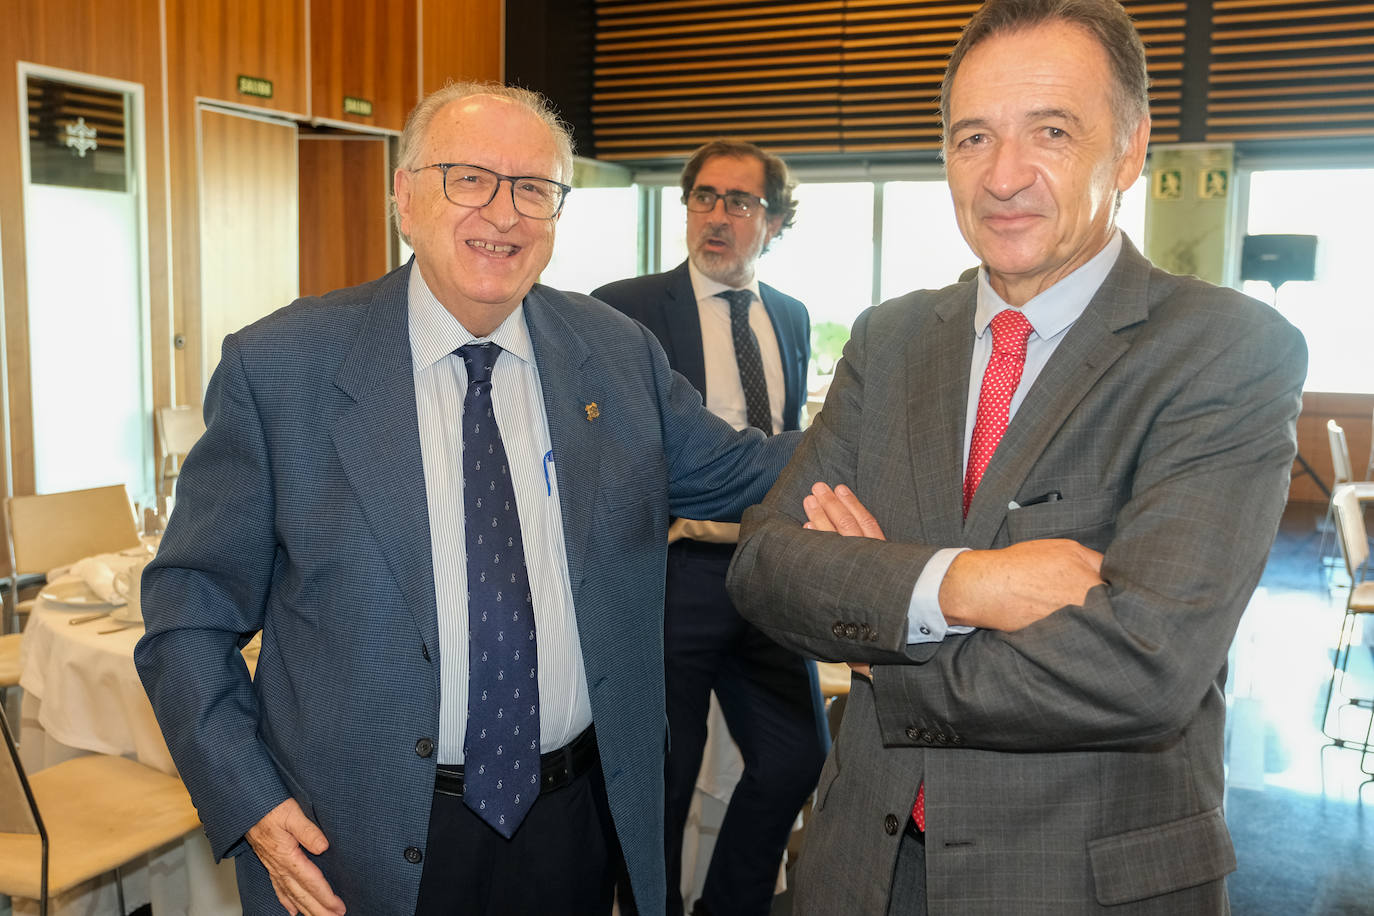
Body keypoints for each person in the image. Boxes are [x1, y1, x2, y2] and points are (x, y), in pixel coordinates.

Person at [135, 82, 800, 916]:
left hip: (573, 825)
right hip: (356, 845)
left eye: (534, 189)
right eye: (469, 178)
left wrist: (919, 428)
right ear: (405, 198)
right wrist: (253, 804)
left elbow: (749, 471)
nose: (505, 213)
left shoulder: (613, 354)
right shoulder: (282, 369)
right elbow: (186, 613)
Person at [725, 1, 1307, 913]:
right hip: (858, 868)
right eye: (972, 138)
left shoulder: (1224, 349)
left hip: (1074, 883)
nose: (1003, 177)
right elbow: (766, 567)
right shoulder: (892, 339)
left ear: (1127, 150)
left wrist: (882, 641)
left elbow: (1143, 666)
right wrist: (964, 587)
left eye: (1051, 131)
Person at [592, 140, 826, 916]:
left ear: (775, 221)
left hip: (767, 570)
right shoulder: (624, 308)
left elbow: (783, 443)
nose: (717, 217)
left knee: (797, 759)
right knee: (660, 780)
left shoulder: (789, 316)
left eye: (740, 202)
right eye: (704, 197)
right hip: (674, 577)